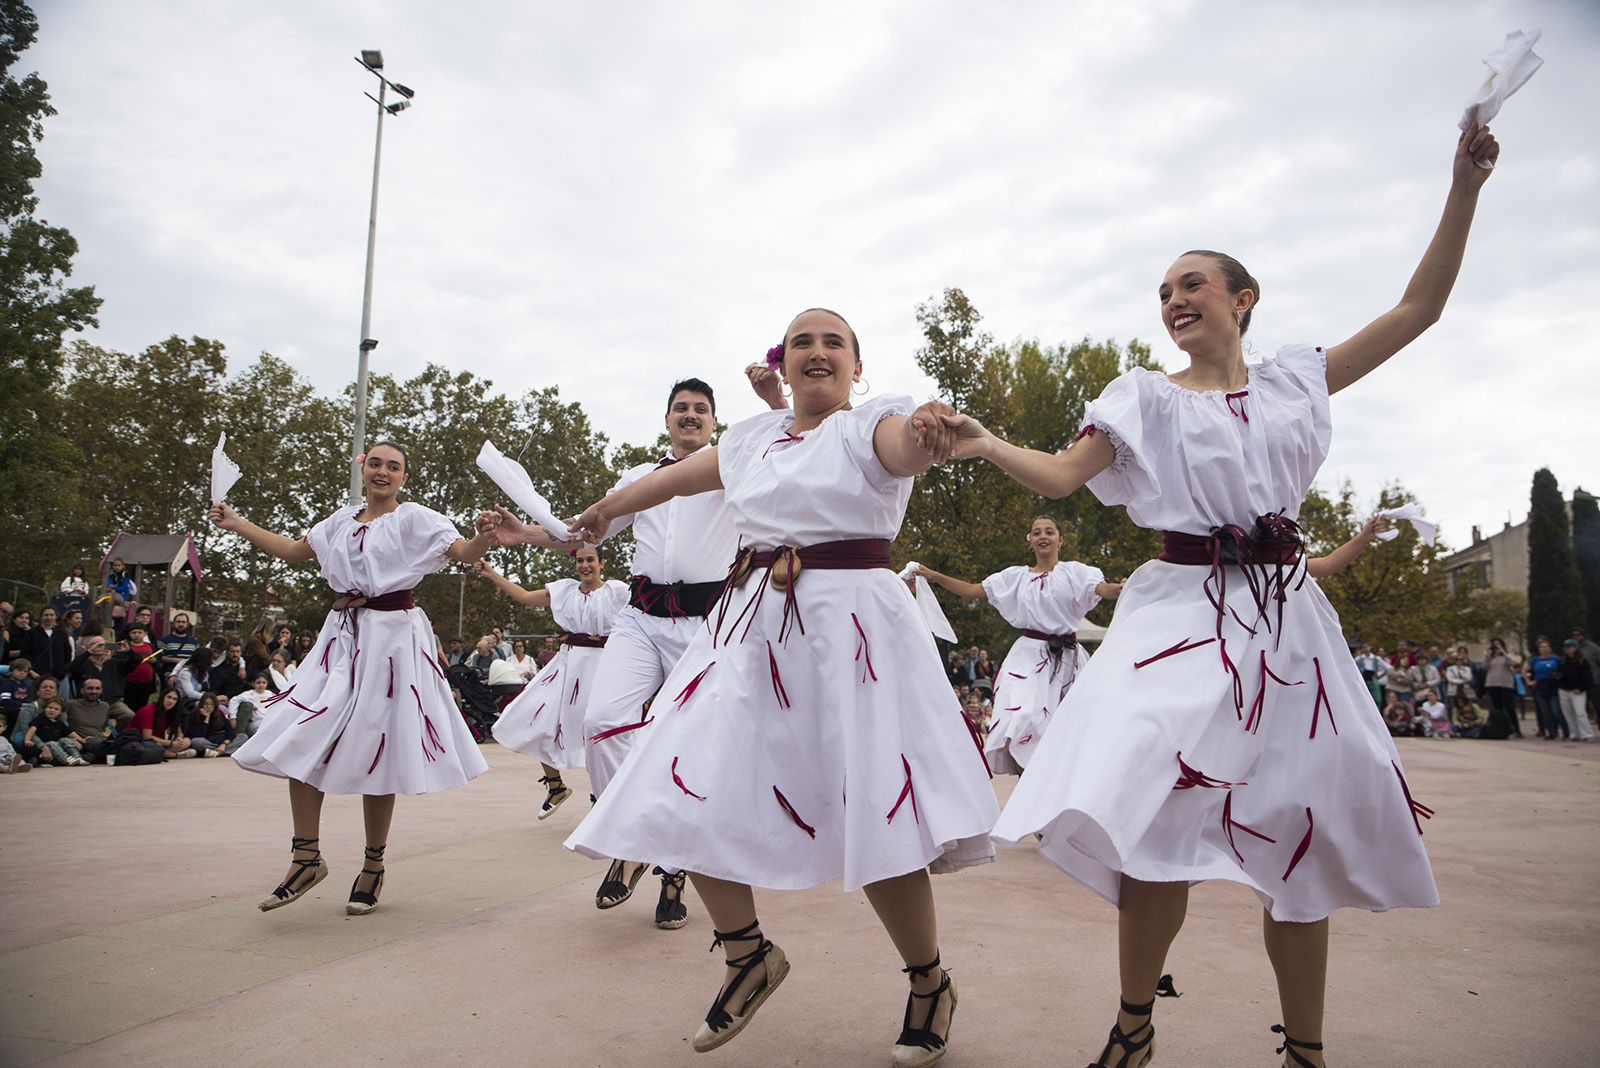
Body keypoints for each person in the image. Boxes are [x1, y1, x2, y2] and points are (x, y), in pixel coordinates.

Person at [944, 124, 1498, 1066]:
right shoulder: (1142, 399)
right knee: (1156, 818)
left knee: (1302, 835)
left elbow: (1419, 308)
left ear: (1242, 298)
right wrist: (983, 440)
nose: (1173, 301)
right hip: (1182, 617)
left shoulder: (1296, 380)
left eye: (1191, 283)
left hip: (1287, 628)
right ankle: (1132, 1020)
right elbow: (1059, 476)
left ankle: (1306, 1049)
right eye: (1163, 292)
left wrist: (1464, 183)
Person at [566, 309, 999, 1064]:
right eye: (803, 340)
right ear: (785, 362)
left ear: (857, 368)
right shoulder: (752, 440)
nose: (818, 351)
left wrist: (926, 429)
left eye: (835, 341)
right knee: (679, 783)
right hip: (749, 628)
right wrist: (604, 510)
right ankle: (747, 956)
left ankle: (928, 981)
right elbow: (670, 480)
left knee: (873, 813)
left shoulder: (872, 424)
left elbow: (904, 446)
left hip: (850, 634)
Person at [487, 376, 751, 926]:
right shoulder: (637, 478)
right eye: (681, 408)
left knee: (688, 745)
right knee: (602, 721)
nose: (690, 416)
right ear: (667, 419)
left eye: (701, 409)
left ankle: (675, 871)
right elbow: (586, 532)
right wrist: (522, 534)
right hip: (640, 617)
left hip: (705, 623)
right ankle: (632, 841)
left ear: (713, 422)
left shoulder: (732, 468)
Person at [210, 441, 498, 916]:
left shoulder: (416, 519)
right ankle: (306, 857)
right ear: (363, 469)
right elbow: (293, 550)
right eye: (377, 463)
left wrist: (485, 536)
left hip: (391, 641)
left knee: (377, 747)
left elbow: (464, 552)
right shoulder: (338, 522)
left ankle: (373, 866)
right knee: (303, 733)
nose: (384, 472)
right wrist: (237, 522)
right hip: (341, 639)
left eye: (395, 466)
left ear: (404, 476)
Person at [914, 516, 1122, 774]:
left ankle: (1054, 785)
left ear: (1060, 539)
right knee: (1024, 717)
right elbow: (970, 590)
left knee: (1068, 725)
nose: (1043, 536)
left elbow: (1103, 589)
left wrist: (1123, 588)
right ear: (1029, 540)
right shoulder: (1014, 578)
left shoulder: (1076, 573)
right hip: (1029, 658)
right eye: (1036, 533)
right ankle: (1028, 778)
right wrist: (934, 576)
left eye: (1049, 531)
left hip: (1069, 660)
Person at [480, 550, 630, 822]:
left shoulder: (616, 592)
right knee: (534, 717)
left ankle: (603, 798)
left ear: (601, 564)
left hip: (602, 665)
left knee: (597, 731)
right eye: (580, 561)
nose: (584, 565)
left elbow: (646, 612)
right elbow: (525, 597)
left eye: (590, 560)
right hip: (567, 665)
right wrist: (492, 574)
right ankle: (556, 787)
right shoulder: (564, 591)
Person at [135, 687, 200, 759]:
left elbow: (180, 732)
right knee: (156, 747)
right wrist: (170, 743)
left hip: (162, 742)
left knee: (187, 741)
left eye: (174, 699)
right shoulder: (148, 711)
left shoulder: (172, 712)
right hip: (141, 742)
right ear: (162, 697)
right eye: (169, 697)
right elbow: (147, 737)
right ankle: (175, 755)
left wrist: (179, 739)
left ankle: (166, 753)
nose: (171, 701)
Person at [27, 697, 89, 766]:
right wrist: (27, 739)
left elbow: (70, 732)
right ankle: (67, 759)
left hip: (58, 744)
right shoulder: (40, 718)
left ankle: (78, 758)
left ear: (60, 712)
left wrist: (81, 739)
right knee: (52, 744)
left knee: (65, 740)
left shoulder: (59, 722)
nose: (52, 710)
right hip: (46, 744)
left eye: (56, 709)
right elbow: (32, 729)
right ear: (45, 708)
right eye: (50, 707)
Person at [1555, 640, 1596, 742]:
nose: (1567, 649)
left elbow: (1588, 678)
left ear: (1575, 648)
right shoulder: (1562, 661)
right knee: (1568, 713)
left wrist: (1581, 688)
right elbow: (1560, 673)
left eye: (1569, 647)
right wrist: (1558, 677)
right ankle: (1574, 733)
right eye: (1565, 647)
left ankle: (1587, 733)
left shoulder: (1582, 661)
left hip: (1577, 690)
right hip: (1564, 689)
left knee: (1580, 712)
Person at [1525, 638, 1564, 740]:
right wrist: (1529, 681)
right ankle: (1551, 732)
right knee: (1545, 711)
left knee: (1555, 710)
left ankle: (1565, 730)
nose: (1543, 649)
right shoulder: (1535, 660)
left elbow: (1563, 670)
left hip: (1552, 685)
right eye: (1541, 647)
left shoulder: (1556, 659)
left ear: (1550, 648)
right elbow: (1524, 670)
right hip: (1540, 686)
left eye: (1545, 647)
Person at [1481, 637, 1521, 737]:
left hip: (1505, 684)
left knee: (1509, 707)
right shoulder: (1491, 657)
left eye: (1499, 645)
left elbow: (1514, 663)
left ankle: (1515, 729)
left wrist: (1503, 653)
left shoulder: (1507, 656)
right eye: (1495, 645)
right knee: (1496, 708)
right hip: (1492, 684)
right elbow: (1484, 667)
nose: (1497, 647)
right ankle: (1499, 728)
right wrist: (1488, 656)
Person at [157, 612, 200, 678]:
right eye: (178, 622)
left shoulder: (194, 641)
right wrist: (175, 660)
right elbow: (160, 657)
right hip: (170, 674)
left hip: (188, 675)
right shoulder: (164, 640)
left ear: (187, 624)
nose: (180, 624)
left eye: (183, 622)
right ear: (173, 623)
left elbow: (197, 658)